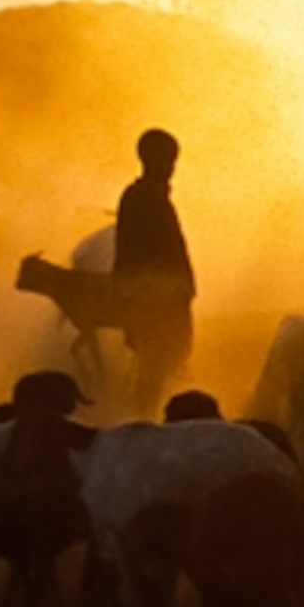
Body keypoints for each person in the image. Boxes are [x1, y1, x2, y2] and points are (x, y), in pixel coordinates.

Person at [111, 128, 196, 414]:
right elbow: (136, 253)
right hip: (155, 300)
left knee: (158, 369)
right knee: (153, 369)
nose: (171, 168)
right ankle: (143, 418)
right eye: (167, 161)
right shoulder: (144, 198)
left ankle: (146, 414)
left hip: (159, 298)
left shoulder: (147, 197)